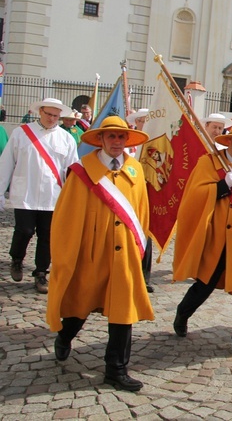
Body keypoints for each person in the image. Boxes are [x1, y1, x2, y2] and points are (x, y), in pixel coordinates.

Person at [46, 116, 152, 391]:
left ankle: (116, 369)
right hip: (91, 252)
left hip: (124, 253)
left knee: (122, 311)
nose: (117, 142)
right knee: (81, 304)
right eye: (111, 137)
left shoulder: (135, 170)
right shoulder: (82, 171)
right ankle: (64, 336)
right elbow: (67, 218)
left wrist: (140, 248)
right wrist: (68, 255)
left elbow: (141, 211)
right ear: (101, 140)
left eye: (121, 137)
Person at [172, 122, 232, 360]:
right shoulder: (210, 163)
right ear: (230, 142)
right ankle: (183, 313)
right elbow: (193, 196)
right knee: (205, 283)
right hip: (216, 235)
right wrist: (220, 186)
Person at [0, 98, 79, 293]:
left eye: (56, 116)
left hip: (52, 196)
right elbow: (6, 163)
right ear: (40, 112)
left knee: (48, 236)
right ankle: (17, 259)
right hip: (24, 193)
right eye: (48, 114)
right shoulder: (21, 133)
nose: (52, 118)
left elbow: (72, 170)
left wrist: (72, 197)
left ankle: (41, 272)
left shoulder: (65, 138)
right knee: (24, 230)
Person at [126, 107, 154, 292]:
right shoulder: (128, 145)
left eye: (148, 120)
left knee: (147, 236)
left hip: (148, 195)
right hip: (127, 195)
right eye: (143, 120)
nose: (145, 124)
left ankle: (145, 277)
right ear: (136, 122)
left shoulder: (154, 145)